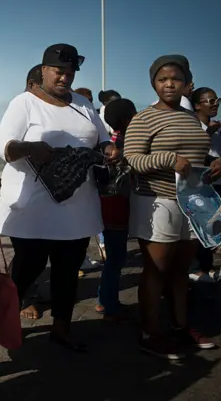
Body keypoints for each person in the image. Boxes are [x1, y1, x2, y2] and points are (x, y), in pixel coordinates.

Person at [0, 43, 119, 351]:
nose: (64, 78)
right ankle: (4, 322)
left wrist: (108, 149)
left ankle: (62, 328)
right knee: (27, 267)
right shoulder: (24, 103)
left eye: (69, 73)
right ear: (43, 71)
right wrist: (29, 148)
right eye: (58, 72)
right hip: (34, 207)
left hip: (78, 206)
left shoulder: (83, 103)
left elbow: (101, 136)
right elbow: (5, 148)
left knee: (68, 271)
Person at [125, 55, 221, 359]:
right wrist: (168, 159)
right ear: (153, 83)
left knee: (181, 271)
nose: (169, 84)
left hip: (192, 203)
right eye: (162, 79)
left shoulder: (191, 118)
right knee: (156, 271)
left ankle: (181, 327)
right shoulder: (144, 118)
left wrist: (216, 162)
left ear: (186, 83)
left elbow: (199, 154)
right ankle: (151, 333)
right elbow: (134, 159)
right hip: (157, 201)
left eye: (176, 79)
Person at [96, 98, 137, 321]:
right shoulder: (125, 145)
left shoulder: (109, 142)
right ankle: (108, 303)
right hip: (117, 205)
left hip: (108, 204)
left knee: (114, 256)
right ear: (127, 119)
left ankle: (106, 299)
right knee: (116, 257)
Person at [190, 87, 221, 283]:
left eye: (217, 100)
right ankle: (196, 270)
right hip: (203, 186)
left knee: (214, 228)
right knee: (200, 229)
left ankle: (206, 268)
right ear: (197, 105)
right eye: (209, 101)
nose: (215, 104)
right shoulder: (195, 129)